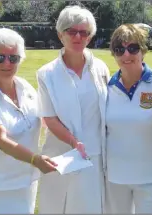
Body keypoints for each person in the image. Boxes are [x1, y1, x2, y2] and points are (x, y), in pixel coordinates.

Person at [36, 5, 110, 214]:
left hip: (95, 154)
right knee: (60, 207)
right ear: (61, 35)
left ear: (90, 36)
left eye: (84, 32)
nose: (78, 37)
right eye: (72, 31)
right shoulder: (46, 74)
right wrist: (74, 142)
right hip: (62, 154)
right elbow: (49, 118)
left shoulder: (101, 68)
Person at [0, 28, 57, 214]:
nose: (7, 63)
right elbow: (0, 140)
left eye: (13, 58)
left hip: (27, 181)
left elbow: (44, 119)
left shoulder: (25, 87)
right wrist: (35, 159)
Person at [105, 24, 152, 214]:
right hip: (115, 177)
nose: (126, 55)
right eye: (119, 50)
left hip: (150, 177)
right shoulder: (105, 88)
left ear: (143, 50)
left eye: (132, 48)